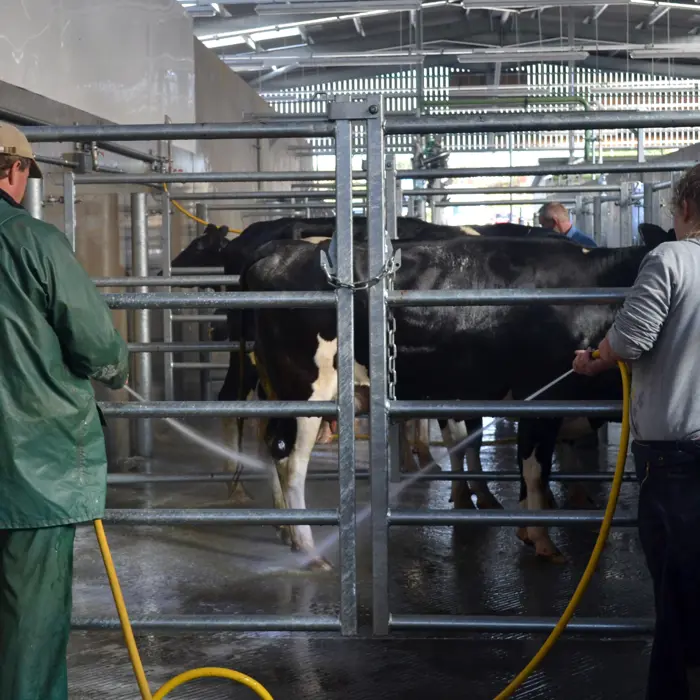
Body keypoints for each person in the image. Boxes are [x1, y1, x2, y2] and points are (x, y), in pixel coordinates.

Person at [0, 121, 129, 700]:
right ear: (15, 170)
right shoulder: (35, 242)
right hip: (34, 469)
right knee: (30, 627)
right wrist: (116, 375)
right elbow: (98, 347)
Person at [572, 165, 700, 700]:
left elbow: (631, 341)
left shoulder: (670, 258)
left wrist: (594, 358)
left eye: (672, 209)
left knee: (679, 598)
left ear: (686, 207)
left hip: (676, 458)